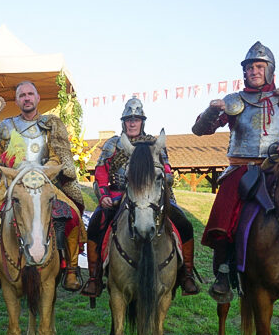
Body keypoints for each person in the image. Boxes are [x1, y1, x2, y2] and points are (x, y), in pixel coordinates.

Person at [192, 41, 279, 302]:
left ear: (269, 70)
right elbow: (201, 130)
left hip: (278, 167)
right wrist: (211, 111)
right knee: (226, 203)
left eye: (259, 66)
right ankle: (223, 270)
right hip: (241, 168)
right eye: (249, 67)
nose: (254, 71)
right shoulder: (233, 101)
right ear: (244, 72)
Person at [81, 97, 200, 298]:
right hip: (119, 195)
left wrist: (166, 176)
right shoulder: (113, 144)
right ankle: (94, 277)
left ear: (142, 122)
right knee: (96, 222)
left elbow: (167, 167)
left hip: (153, 196)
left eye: (136, 119)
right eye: (129, 119)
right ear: (123, 122)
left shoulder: (154, 143)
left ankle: (186, 273)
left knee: (183, 223)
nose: (132, 123)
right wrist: (103, 196)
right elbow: (101, 171)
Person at [0, 81, 86, 293]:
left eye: (30, 94)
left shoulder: (49, 125)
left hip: (43, 182)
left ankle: (71, 269)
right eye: (21, 95)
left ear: (37, 98)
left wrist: (43, 171)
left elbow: (56, 157)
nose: (26, 98)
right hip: (12, 184)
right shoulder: (7, 125)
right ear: (16, 101)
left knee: (72, 214)